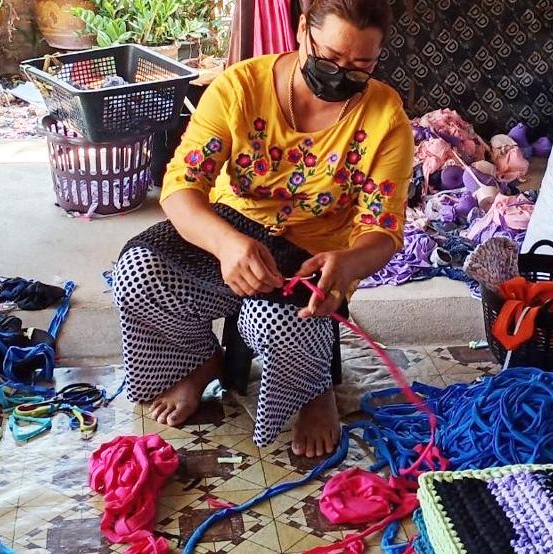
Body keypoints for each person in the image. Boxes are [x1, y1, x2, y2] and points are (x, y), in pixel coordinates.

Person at [113, 0, 413, 458]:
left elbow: (383, 229)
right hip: (233, 222)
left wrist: (348, 263)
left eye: (361, 65)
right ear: (300, 32)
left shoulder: (383, 115)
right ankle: (201, 359)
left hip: (313, 247)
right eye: (329, 58)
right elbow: (180, 186)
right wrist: (227, 244)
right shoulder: (241, 86)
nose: (340, 74)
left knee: (274, 319)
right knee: (139, 272)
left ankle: (314, 387)